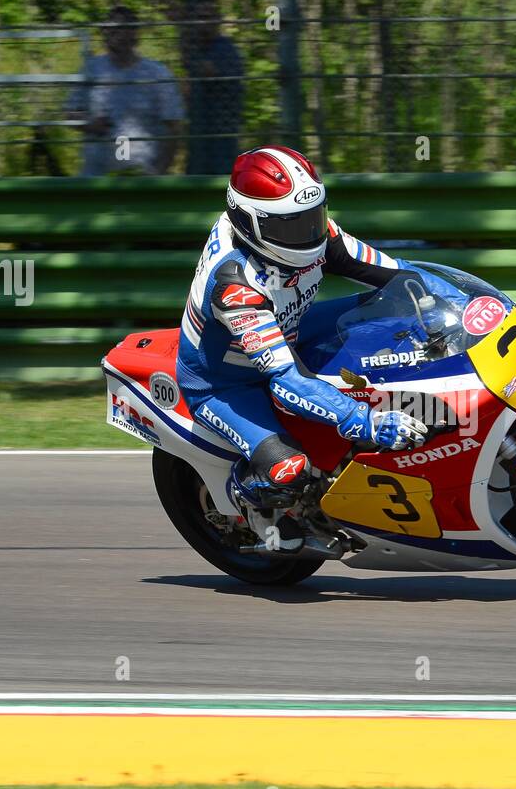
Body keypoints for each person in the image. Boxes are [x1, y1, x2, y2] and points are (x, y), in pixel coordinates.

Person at [175, 146, 428, 551]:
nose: (309, 235)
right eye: (293, 226)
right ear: (249, 222)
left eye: (314, 219)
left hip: (291, 327)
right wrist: (366, 421)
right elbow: (284, 380)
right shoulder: (235, 283)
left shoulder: (313, 234)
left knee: (390, 316)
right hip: (226, 382)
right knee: (289, 469)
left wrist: (467, 304)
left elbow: (395, 275)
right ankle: (249, 494)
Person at [67, 5, 184, 176]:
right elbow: (70, 113)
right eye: (108, 29)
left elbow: (174, 127)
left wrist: (159, 172)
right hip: (96, 177)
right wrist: (90, 124)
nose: (114, 34)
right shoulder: (91, 69)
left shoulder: (157, 74)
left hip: (141, 176)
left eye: (121, 28)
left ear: (135, 34)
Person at [179, 0, 244, 175]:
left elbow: (207, 71)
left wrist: (183, 32)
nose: (203, 22)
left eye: (208, 15)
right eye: (199, 17)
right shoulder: (197, 47)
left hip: (221, 138)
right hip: (198, 136)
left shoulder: (225, 48)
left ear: (216, 17)